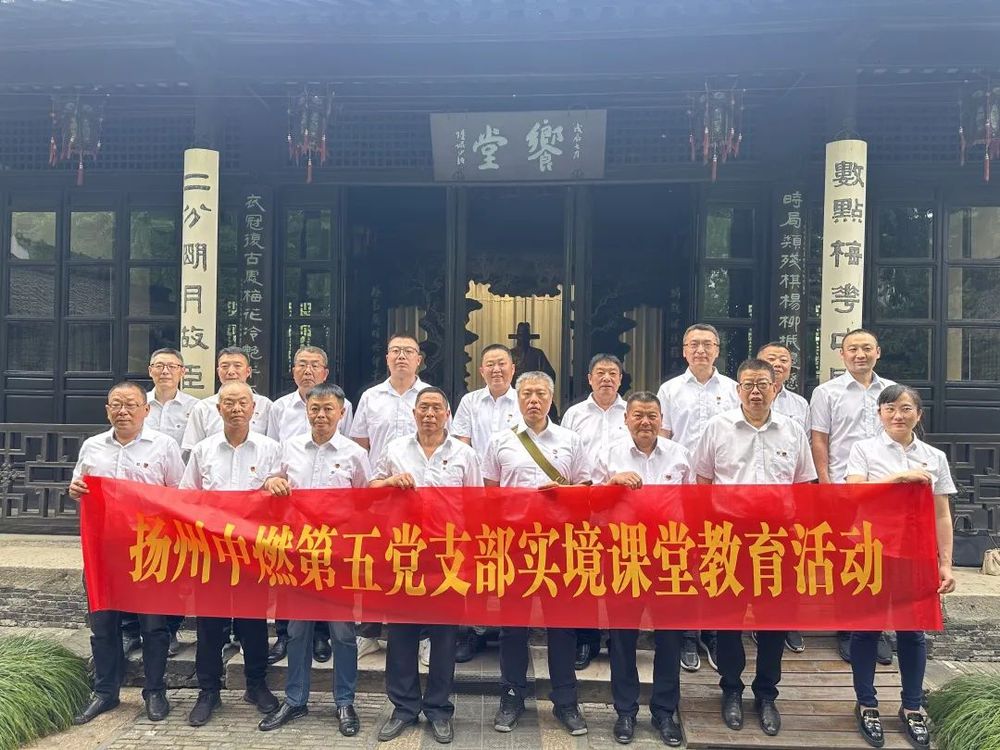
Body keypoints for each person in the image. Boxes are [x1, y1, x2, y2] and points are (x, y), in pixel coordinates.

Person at [692, 358, 816, 737]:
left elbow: (804, 485)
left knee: (774, 620)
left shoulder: (792, 430)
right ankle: (731, 688)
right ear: (738, 390)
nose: (756, 392)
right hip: (729, 537)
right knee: (727, 619)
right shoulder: (718, 428)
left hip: (777, 540)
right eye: (748, 385)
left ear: (776, 387)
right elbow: (702, 482)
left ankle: (766, 693)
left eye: (763, 384)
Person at [369, 387, 483, 744]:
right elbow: (371, 488)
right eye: (423, 408)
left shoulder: (465, 454)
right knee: (401, 634)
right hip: (404, 552)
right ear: (414, 413)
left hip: (448, 556)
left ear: (447, 414)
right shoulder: (395, 449)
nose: (429, 414)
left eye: (436, 408)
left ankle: (438, 709)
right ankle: (403, 707)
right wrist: (390, 482)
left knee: (444, 637)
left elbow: (476, 503)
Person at [483, 371, 593, 737]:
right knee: (513, 627)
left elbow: (586, 489)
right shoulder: (500, 441)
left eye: (541, 393)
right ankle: (512, 696)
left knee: (562, 626)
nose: (534, 399)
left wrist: (564, 494)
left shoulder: (571, 440)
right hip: (515, 546)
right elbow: (490, 495)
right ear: (517, 398)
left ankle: (566, 701)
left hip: (558, 545)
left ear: (551, 398)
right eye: (527, 393)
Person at [845, 384, 955, 750]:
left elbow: (942, 514)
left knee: (913, 632)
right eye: (890, 408)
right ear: (879, 414)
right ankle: (866, 703)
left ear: (918, 415)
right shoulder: (864, 450)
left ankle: (911, 706)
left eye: (906, 408)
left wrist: (945, 563)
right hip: (871, 552)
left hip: (915, 556)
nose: (898, 415)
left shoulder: (934, 457)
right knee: (866, 630)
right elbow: (854, 493)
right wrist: (899, 478)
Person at [68, 382, 185, 725]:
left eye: (131, 404)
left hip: (149, 551)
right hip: (103, 552)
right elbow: (79, 486)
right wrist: (75, 489)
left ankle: (155, 690)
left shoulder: (164, 446)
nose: (123, 411)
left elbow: (179, 495)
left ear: (145, 410)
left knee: (153, 626)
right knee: (103, 625)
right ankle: (106, 691)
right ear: (107, 410)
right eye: (116, 404)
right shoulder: (93, 447)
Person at [257, 383, 369, 737]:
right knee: (297, 631)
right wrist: (272, 482)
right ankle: (295, 699)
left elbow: (366, 504)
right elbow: (269, 484)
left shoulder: (355, 454)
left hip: (338, 557)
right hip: (298, 555)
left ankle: (345, 701)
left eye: (328, 409)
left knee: (343, 633)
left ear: (342, 413)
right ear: (306, 411)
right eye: (315, 408)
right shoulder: (288, 448)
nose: (321, 415)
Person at [180, 381, 281, 727]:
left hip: (254, 552)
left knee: (254, 623)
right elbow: (187, 497)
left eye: (242, 403)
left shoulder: (271, 450)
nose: (236, 409)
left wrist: (276, 485)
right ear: (218, 408)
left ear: (254, 408)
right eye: (229, 403)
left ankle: (256, 685)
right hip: (212, 552)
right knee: (210, 624)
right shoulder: (203, 450)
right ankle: (208, 691)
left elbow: (285, 500)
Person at [593, 391, 691, 747]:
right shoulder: (609, 454)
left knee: (670, 638)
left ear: (662, 419)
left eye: (652, 415)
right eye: (638, 415)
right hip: (624, 555)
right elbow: (592, 505)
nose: (645, 422)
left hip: (669, 555)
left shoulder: (679, 454)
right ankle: (625, 711)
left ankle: (664, 712)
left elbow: (692, 504)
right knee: (622, 637)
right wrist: (612, 483)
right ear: (626, 419)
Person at [810, 329, 896, 664]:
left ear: (878, 352)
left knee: (882, 559)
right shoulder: (826, 393)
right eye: (853, 349)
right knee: (847, 559)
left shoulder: (891, 391)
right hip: (844, 488)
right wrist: (825, 484)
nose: (860, 355)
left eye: (866, 348)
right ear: (842, 355)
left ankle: (877, 628)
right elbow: (820, 439)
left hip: (884, 489)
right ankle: (847, 629)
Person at [656, 323, 738, 673]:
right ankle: (688, 633)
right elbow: (662, 439)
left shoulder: (734, 389)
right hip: (683, 488)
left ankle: (714, 632)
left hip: (722, 489)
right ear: (684, 350)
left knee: (718, 559)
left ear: (717, 349)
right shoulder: (670, 390)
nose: (701, 350)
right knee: (685, 559)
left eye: (707, 344)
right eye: (694, 344)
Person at [349, 332, 433, 659]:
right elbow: (360, 446)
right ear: (386, 358)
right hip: (381, 494)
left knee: (421, 564)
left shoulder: (430, 397)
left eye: (408, 351)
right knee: (378, 563)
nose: (401, 356)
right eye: (395, 351)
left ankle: (423, 636)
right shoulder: (371, 397)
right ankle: (369, 632)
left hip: (421, 497)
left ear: (418, 359)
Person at [265, 345, 350, 666]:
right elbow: (274, 454)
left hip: (332, 521)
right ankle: (284, 635)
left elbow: (349, 456)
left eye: (315, 365)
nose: (308, 370)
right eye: (302, 364)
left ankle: (320, 636)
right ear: (293, 370)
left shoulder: (343, 406)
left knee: (326, 576)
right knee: (288, 578)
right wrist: (273, 481)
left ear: (325, 372)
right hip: (292, 516)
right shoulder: (279, 408)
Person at [119, 349, 195, 660]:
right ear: (150, 370)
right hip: (134, 506)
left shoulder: (196, 408)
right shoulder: (136, 402)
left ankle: (170, 628)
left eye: (171, 366)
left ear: (183, 371)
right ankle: (129, 629)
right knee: (130, 566)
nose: (165, 371)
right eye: (159, 366)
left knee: (171, 568)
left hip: (175, 497)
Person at [450, 343, 519, 663]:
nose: (496, 369)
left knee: (513, 566)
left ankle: (512, 631)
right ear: (481, 370)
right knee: (477, 565)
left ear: (512, 369)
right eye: (490, 364)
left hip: (515, 498)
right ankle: (476, 630)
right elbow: (461, 446)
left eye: (502, 363)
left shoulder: (524, 399)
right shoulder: (469, 402)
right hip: (477, 496)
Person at [560, 353, 628, 671]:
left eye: (612, 373)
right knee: (585, 571)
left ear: (621, 378)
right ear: (589, 378)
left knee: (620, 572)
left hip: (623, 505)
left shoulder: (631, 413)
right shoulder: (574, 415)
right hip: (583, 501)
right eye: (600, 372)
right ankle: (586, 639)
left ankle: (618, 638)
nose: (606, 378)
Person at [755, 341, 809, 654]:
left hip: (781, 513)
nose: (777, 364)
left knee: (781, 579)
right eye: (770, 359)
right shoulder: (730, 412)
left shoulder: (799, 407)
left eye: (783, 359)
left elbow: (803, 472)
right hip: (736, 516)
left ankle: (787, 625)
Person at [181, 347, 273, 454]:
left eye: (237, 366)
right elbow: (192, 449)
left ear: (248, 371)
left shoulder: (265, 405)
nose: (231, 372)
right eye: (225, 366)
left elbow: (273, 447)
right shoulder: (203, 407)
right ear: (218, 371)